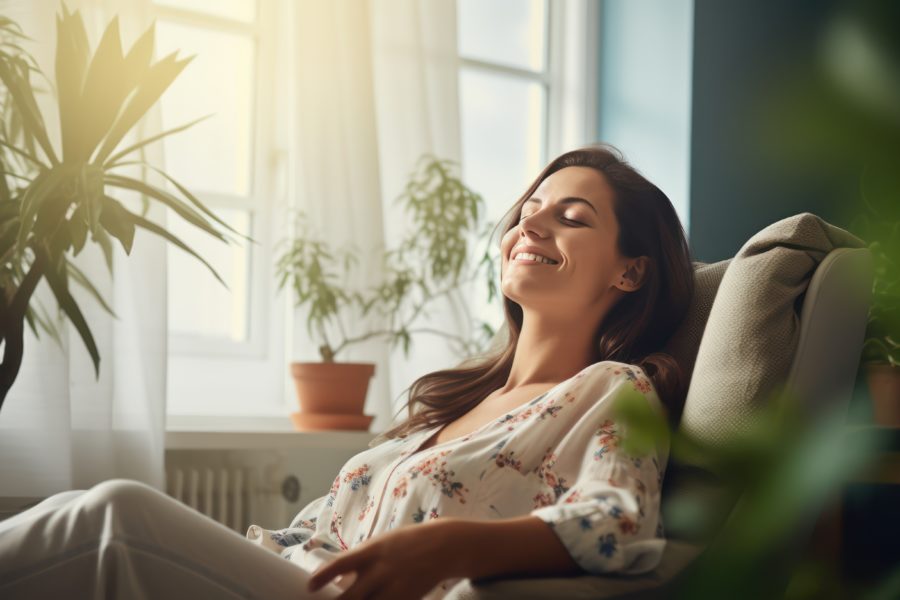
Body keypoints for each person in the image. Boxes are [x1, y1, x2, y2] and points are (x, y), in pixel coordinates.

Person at [0, 144, 694, 600]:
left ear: (631, 270)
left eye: (571, 218)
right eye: (529, 211)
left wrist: (450, 546)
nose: (532, 227)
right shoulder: (455, 406)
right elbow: (316, 532)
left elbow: (619, 522)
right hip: (290, 576)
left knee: (116, 516)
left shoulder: (612, 390)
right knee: (78, 516)